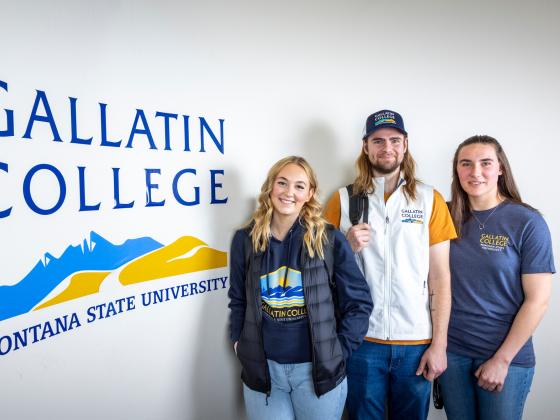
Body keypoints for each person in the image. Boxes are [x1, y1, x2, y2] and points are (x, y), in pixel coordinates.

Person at [324, 109, 457, 419]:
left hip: (416, 342)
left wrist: (439, 345)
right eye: (378, 140)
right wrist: (346, 246)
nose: (387, 148)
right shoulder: (342, 201)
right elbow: (318, 272)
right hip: (361, 341)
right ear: (365, 147)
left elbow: (440, 279)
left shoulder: (429, 200)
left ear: (405, 144)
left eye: (394, 140)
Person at [228, 156, 373, 420]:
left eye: (299, 186)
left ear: (310, 194)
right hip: (263, 372)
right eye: (282, 183)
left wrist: (338, 352)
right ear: (270, 187)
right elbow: (237, 299)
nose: (289, 193)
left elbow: (359, 302)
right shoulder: (245, 240)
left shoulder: (328, 239)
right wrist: (239, 342)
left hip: (317, 374)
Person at [439, 135, 555, 420]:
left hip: (506, 356)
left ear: (501, 168)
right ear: (457, 170)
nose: (475, 172)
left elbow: (538, 300)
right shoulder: (444, 214)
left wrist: (502, 360)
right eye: (466, 164)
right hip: (452, 353)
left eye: (485, 163)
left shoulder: (527, 221)